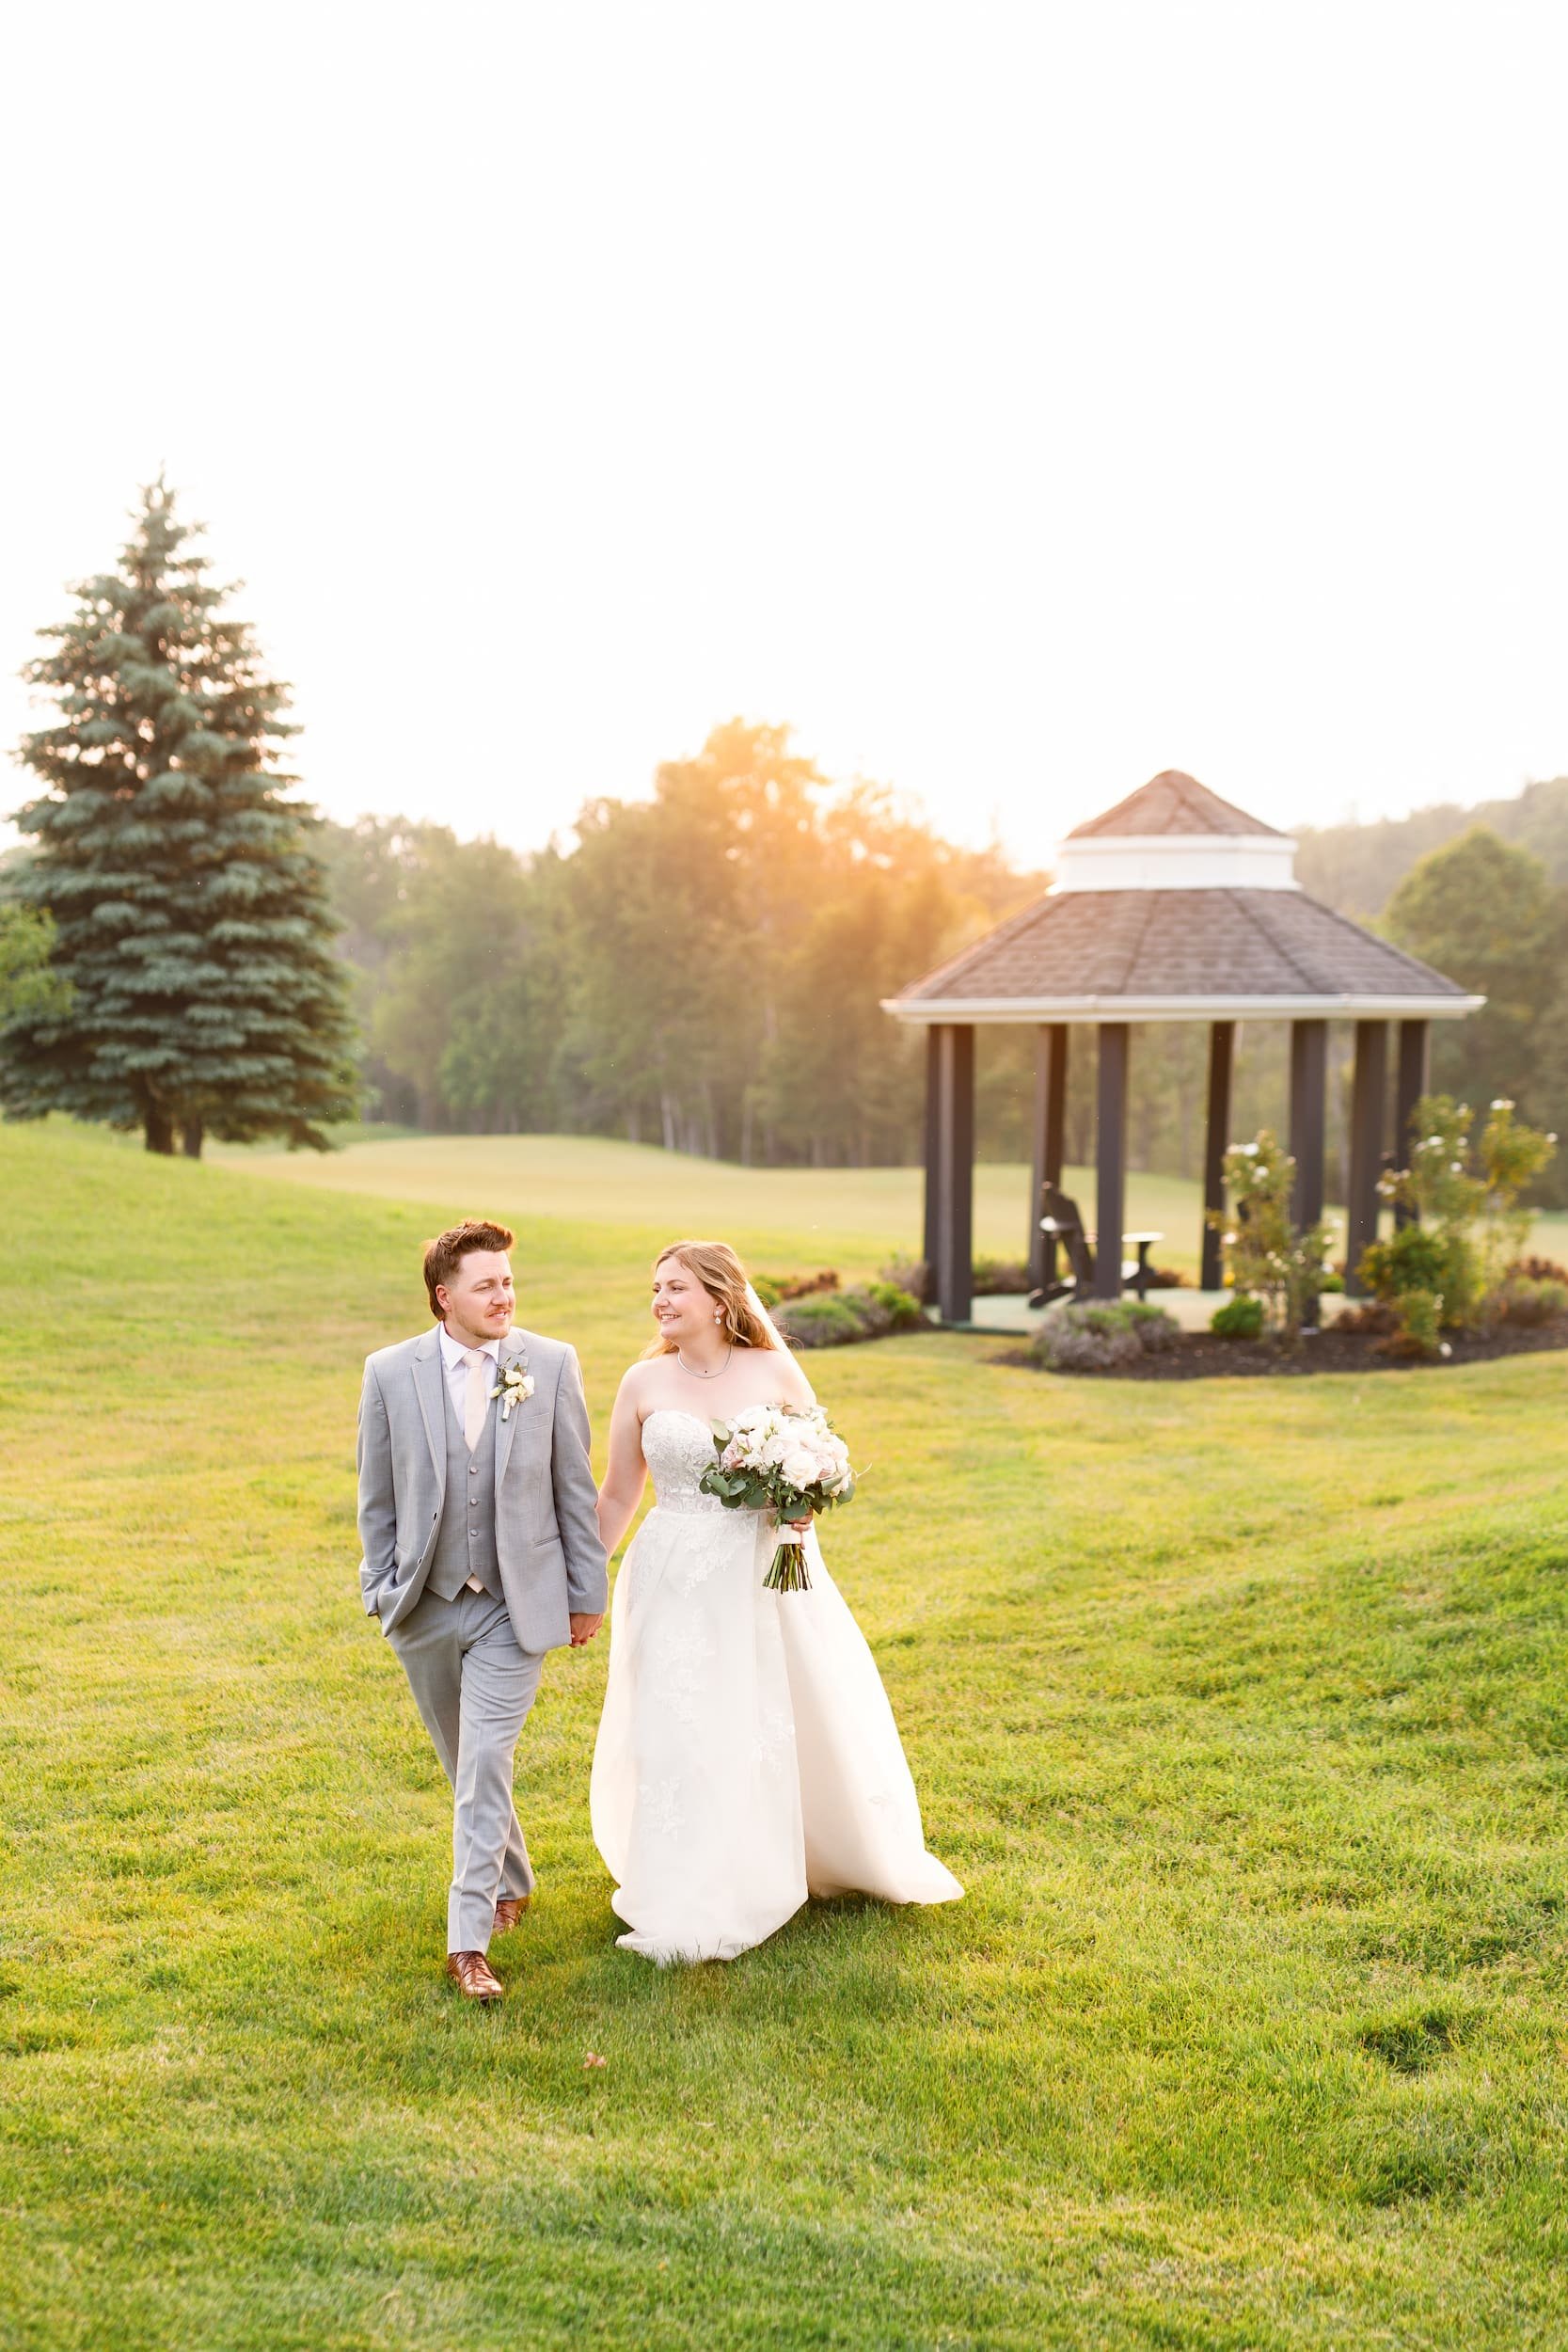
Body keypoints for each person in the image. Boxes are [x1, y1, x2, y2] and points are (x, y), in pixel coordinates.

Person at [590, 1238, 961, 1963]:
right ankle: (690, 1879)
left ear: (720, 1301)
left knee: (772, 1712)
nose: (660, 1301)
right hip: (670, 1573)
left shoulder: (770, 1368)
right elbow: (616, 1494)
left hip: (762, 1569)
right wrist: (580, 1585)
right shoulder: (641, 1382)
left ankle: (802, 1852)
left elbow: (819, 1463)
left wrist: (802, 1506)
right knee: (682, 1718)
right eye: (655, 1290)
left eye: (675, 1288)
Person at [356, 1219, 607, 2004]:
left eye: (507, 1281)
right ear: (444, 1297)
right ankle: (514, 1875)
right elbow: (377, 1493)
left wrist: (585, 1594)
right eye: (486, 1284)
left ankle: (468, 1943)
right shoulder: (389, 1372)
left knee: (486, 1761)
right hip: (424, 1604)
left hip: (514, 1603)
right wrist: (380, 1586)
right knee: (463, 1761)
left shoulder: (551, 1364)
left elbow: (575, 1489)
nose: (504, 1296)